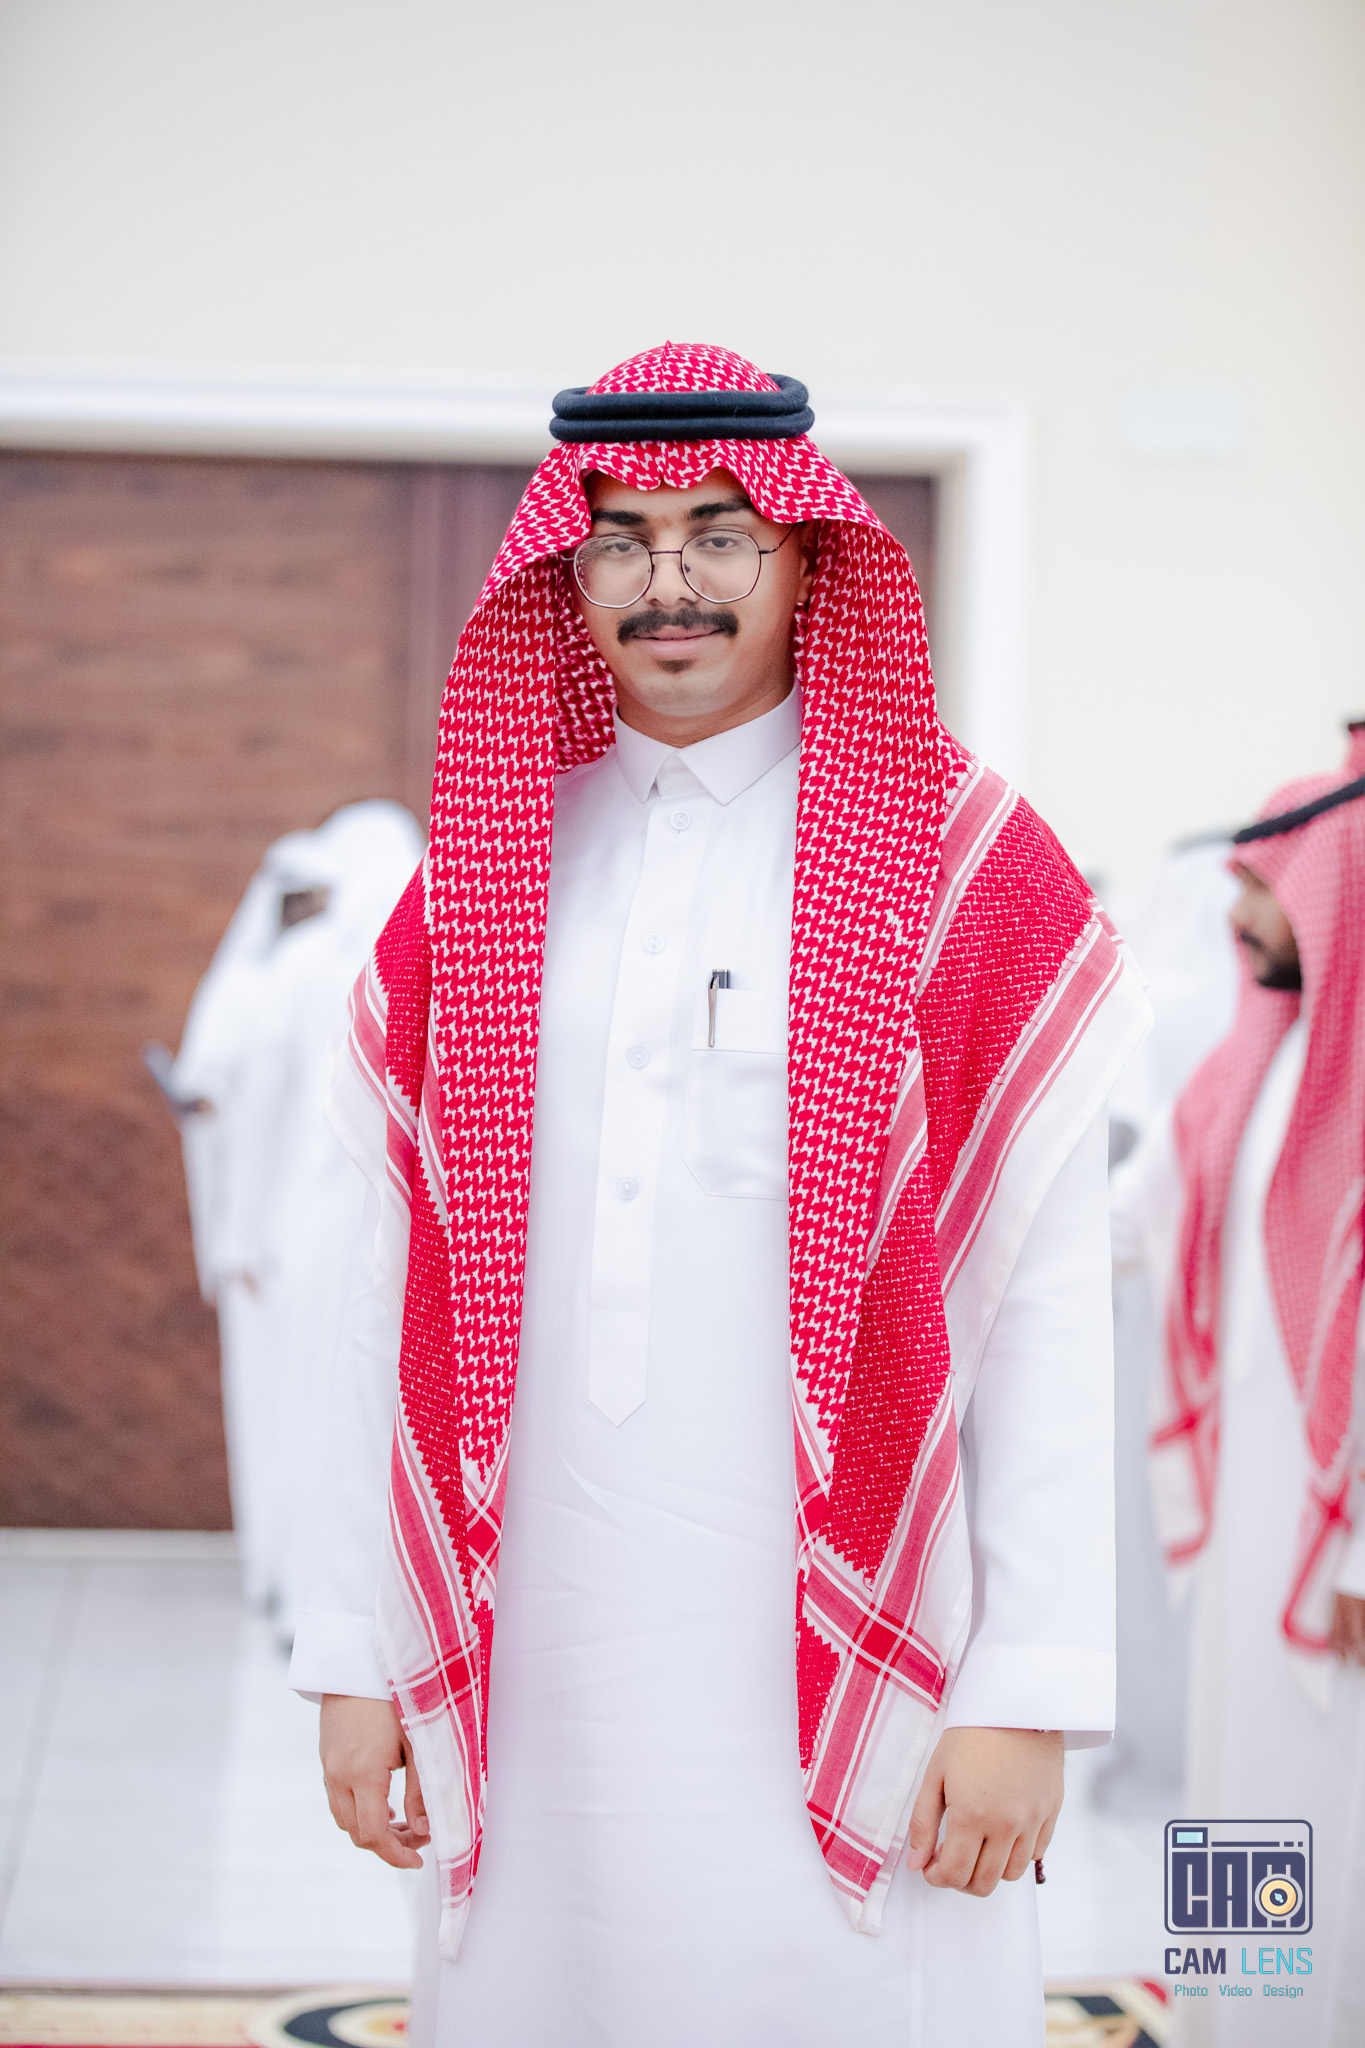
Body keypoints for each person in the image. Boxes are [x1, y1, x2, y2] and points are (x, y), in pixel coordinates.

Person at [288, 343, 1149, 2048]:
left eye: (718, 535)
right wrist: (349, 1650)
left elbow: (1043, 1305)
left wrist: (1029, 1686)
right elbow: (372, 1290)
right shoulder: (479, 876)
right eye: (618, 540)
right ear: (565, 573)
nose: (666, 582)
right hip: (531, 1641)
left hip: (858, 1638)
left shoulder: (960, 867)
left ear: (809, 559)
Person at [1111, 727, 1365, 2046]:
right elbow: (1128, 1217)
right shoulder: (1250, 1067)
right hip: (1248, 1512)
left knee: (1329, 1801)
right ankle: (1228, 2015)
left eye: (1262, 888)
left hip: (1337, 1545)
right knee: (1234, 1775)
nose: (1239, 916)